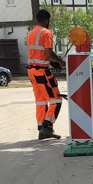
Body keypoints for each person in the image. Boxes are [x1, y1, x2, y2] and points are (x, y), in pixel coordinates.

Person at [26, 10, 65, 140]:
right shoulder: (46, 33)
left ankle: (41, 128)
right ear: (47, 20)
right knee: (56, 99)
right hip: (42, 72)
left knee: (41, 100)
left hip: (32, 71)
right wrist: (60, 61)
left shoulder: (32, 33)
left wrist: (51, 62)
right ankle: (47, 127)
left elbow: (38, 54)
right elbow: (48, 52)